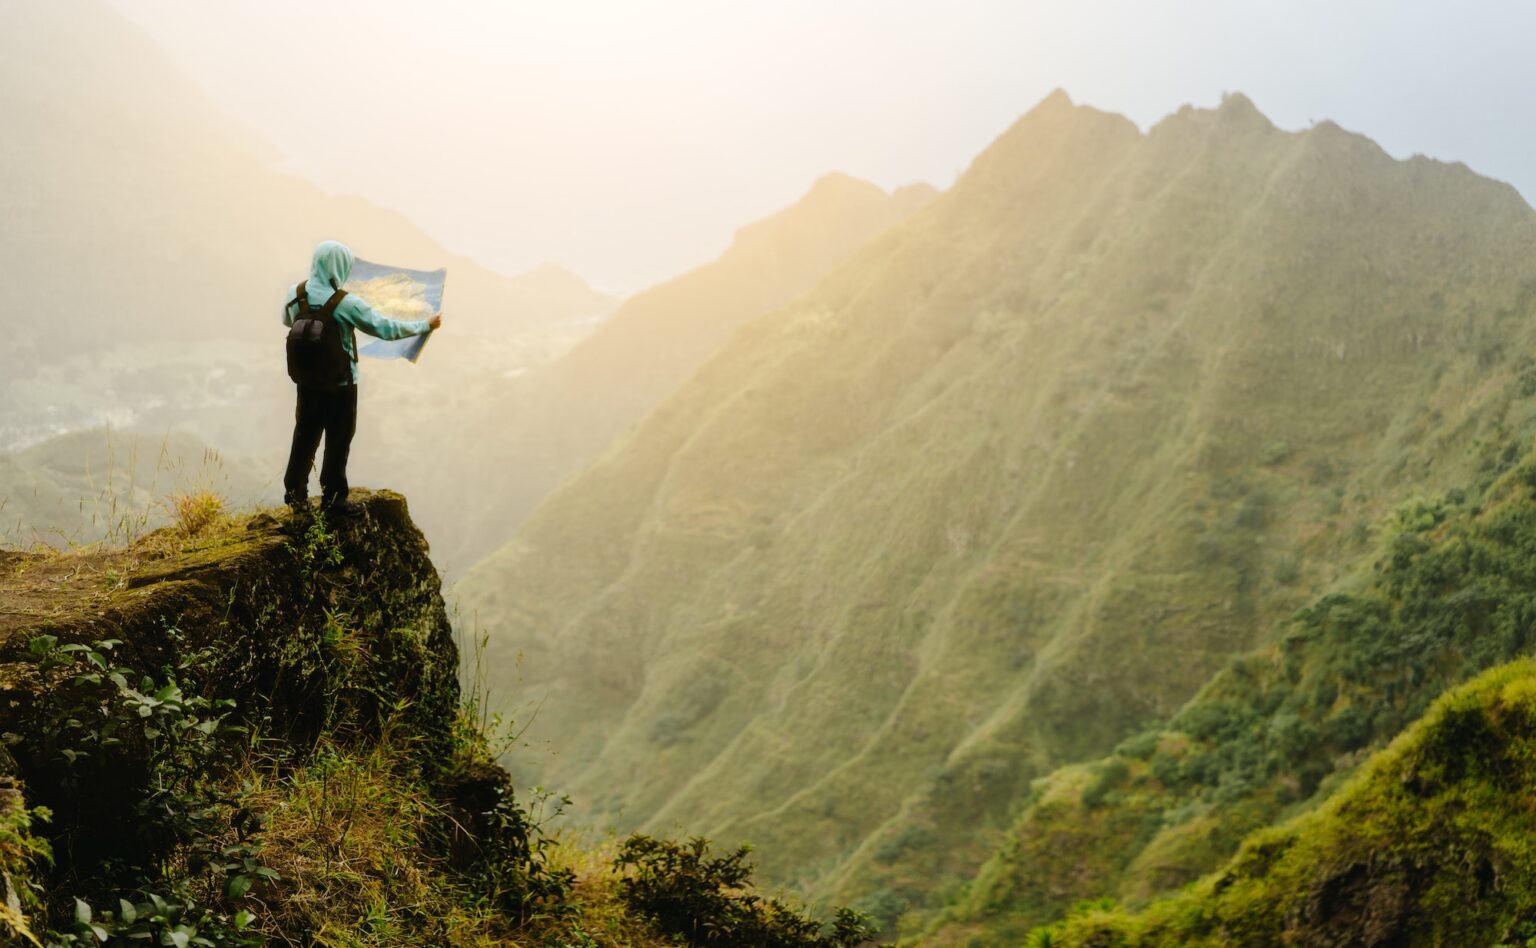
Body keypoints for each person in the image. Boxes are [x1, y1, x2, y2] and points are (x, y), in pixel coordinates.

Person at [281, 240, 442, 515]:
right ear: (339, 267)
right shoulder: (346, 303)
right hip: (341, 385)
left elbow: (288, 321)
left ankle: (296, 494)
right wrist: (424, 325)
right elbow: (386, 329)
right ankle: (334, 500)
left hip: (306, 382)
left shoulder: (294, 294)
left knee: (305, 435)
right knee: (338, 438)